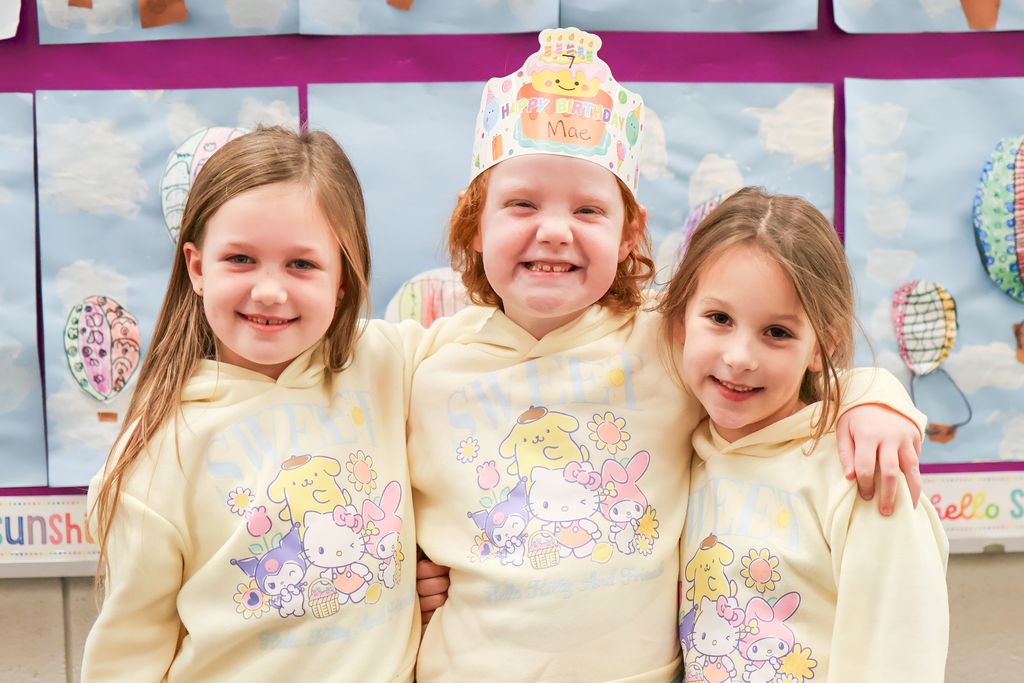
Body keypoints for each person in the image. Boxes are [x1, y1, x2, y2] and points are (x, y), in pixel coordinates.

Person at [408, 29, 926, 682]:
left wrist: (875, 396)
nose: (555, 229)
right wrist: (405, 579)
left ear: (629, 234)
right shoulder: (421, 363)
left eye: (588, 209)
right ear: (473, 220)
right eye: (521, 204)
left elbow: (780, 349)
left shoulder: (669, 335)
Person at [82, 127, 434, 682]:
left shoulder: (391, 363)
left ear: (343, 278)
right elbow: (128, 652)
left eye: (302, 265)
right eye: (241, 258)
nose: (270, 291)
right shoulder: (156, 452)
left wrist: (441, 558)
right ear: (198, 268)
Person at [667, 188, 948, 682]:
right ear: (679, 321)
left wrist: (878, 394)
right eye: (719, 318)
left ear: (823, 346)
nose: (739, 357)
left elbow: (900, 654)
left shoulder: (862, 470)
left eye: (777, 332)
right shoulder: (681, 453)